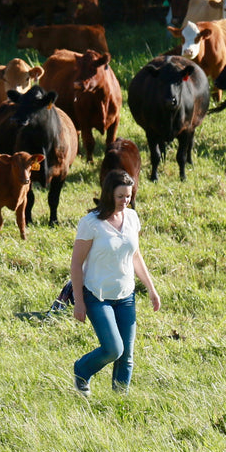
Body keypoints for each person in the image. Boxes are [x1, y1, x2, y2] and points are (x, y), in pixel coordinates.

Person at [69, 169, 160, 396]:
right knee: (113, 349)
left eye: (128, 196)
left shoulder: (132, 218)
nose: (125, 201)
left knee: (127, 356)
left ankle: (119, 402)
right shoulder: (90, 223)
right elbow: (76, 264)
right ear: (109, 194)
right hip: (97, 295)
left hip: (126, 295)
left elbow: (136, 256)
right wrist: (79, 302)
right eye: (120, 196)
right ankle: (81, 370)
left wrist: (151, 289)